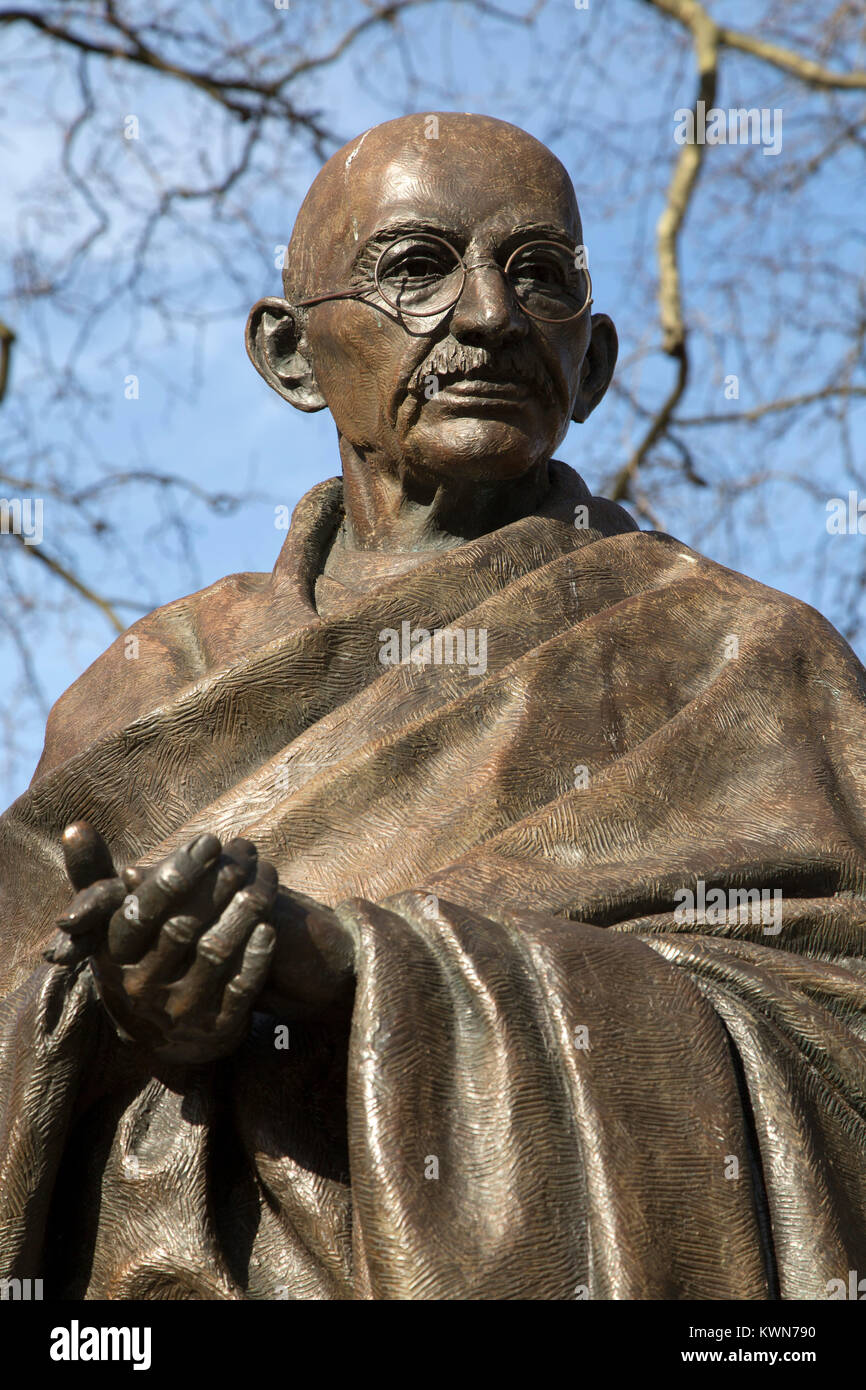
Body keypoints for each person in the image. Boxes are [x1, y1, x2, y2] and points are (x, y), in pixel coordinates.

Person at [1, 113, 865, 1300]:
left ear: (596, 360)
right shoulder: (150, 685)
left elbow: (833, 1059)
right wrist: (109, 1009)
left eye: (537, 276)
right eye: (415, 267)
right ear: (288, 355)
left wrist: (363, 966)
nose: (488, 318)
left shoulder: (736, 655)